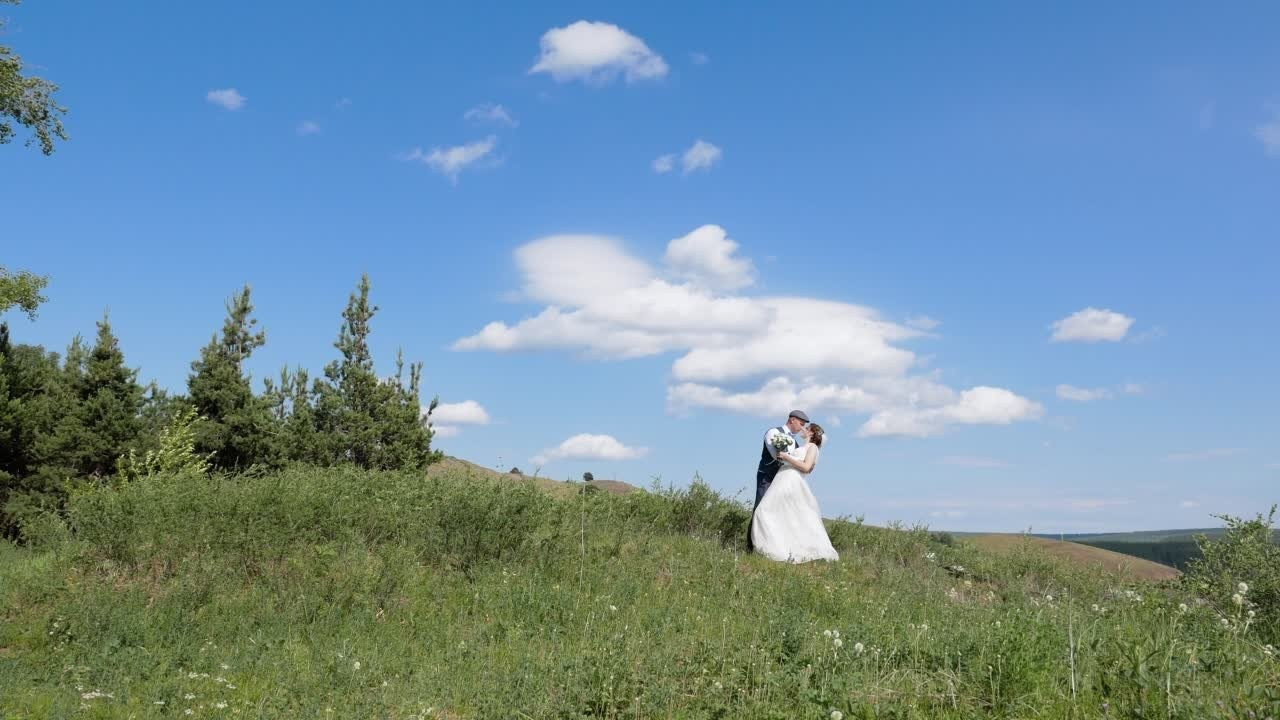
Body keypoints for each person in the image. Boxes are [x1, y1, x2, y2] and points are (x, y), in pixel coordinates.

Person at [749, 423, 839, 564]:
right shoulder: (799, 447)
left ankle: (772, 549)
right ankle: (772, 547)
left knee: (763, 510)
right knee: (780, 514)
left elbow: (806, 467)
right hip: (782, 479)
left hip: (790, 481)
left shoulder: (813, 448)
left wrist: (786, 457)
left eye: (806, 428)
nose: (802, 429)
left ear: (811, 433)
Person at [747, 410, 809, 552]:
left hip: (784, 480)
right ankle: (751, 547)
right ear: (792, 420)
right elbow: (776, 456)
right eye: (801, 424)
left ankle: (770, 547)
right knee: (760, 509)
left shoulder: (795, 443)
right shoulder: (773, 432)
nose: (802, 428)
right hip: (767, 477)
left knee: (779, 512)